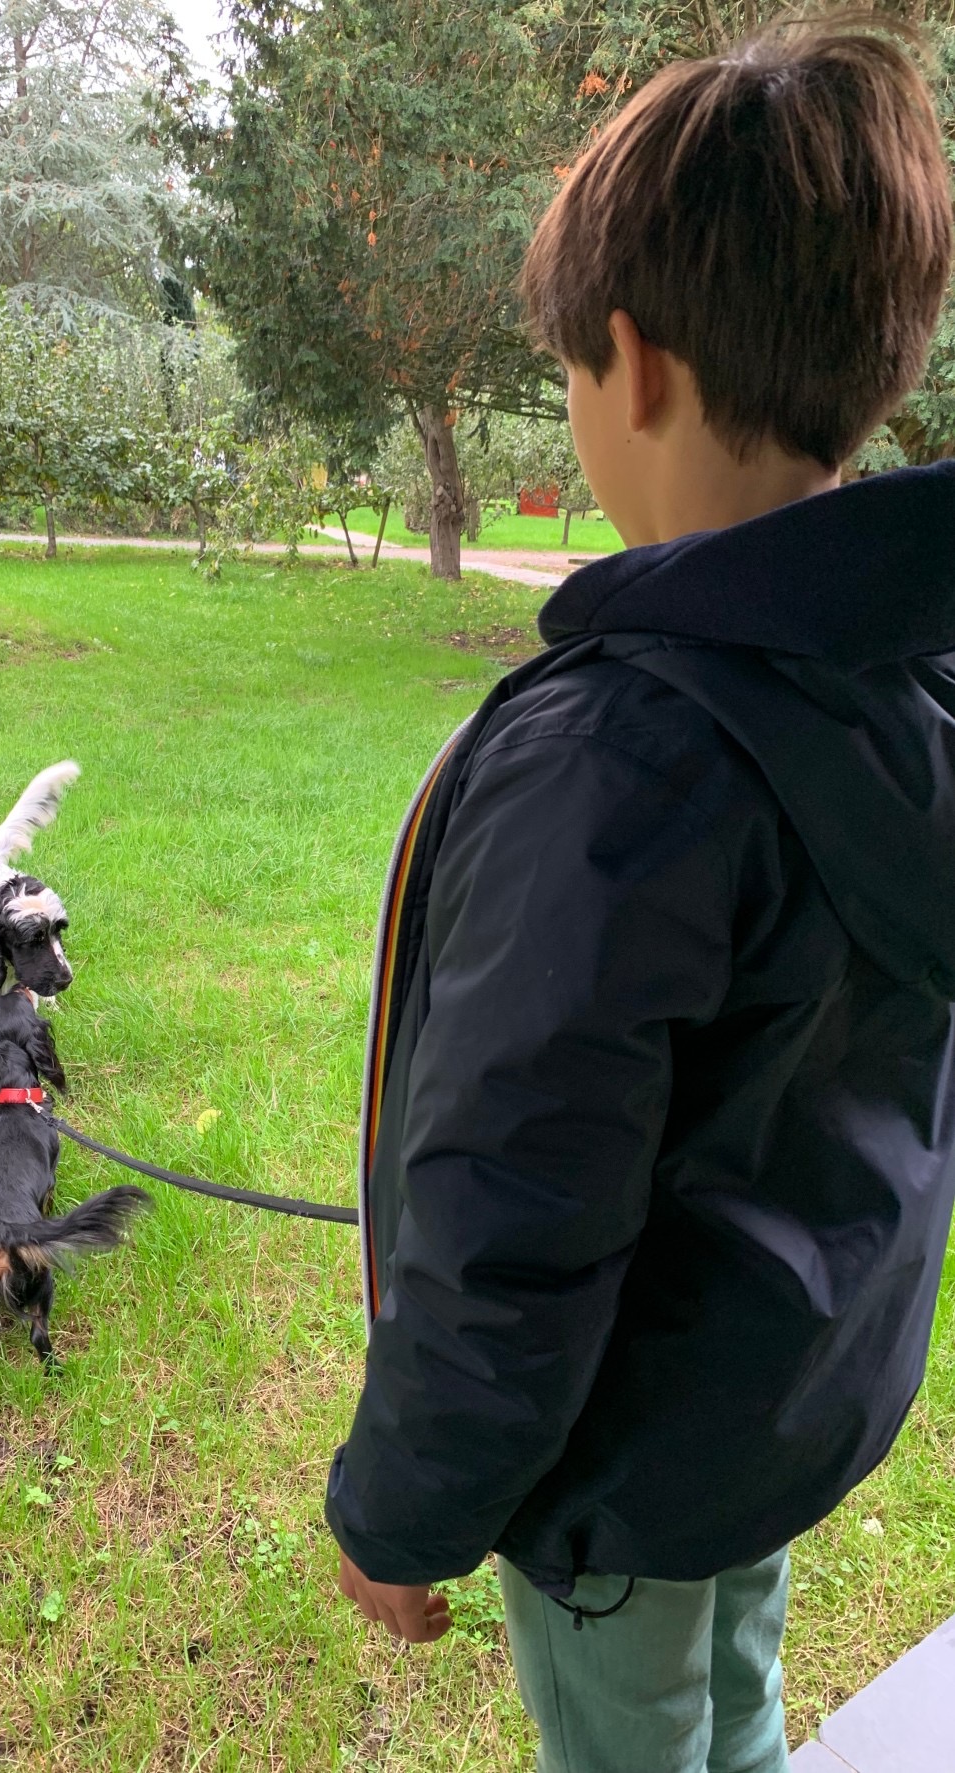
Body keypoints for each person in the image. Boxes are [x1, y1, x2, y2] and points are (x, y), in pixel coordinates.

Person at [325, 19, 955, 1773]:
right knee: (722, 1671)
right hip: (770, 1416)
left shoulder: (619, 757)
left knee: (629, 1737)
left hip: (622, 1461)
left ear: (630, 362)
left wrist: (403, 1504)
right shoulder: (907, 684)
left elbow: (512, 1197)